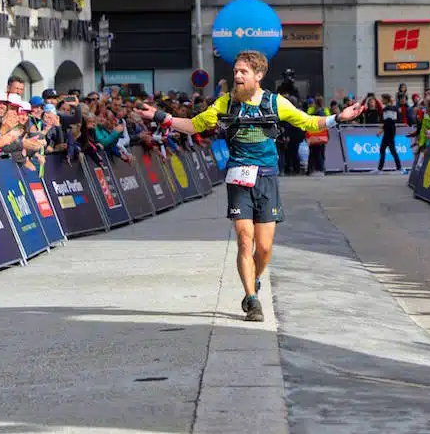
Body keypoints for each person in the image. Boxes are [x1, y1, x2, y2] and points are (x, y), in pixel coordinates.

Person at [137, 50, 364, 322]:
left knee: (264, 248)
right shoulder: (225, 103)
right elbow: (194, 126)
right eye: (235, 71)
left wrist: (339, 118)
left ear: (258, 75)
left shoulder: (275, 102)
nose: (237, 76)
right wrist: (161, 116)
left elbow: (308, 122)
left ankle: (254, 279)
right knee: (245, 240)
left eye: (243, 72)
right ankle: (252, 299)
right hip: (238, 177)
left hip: (267, 178)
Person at [377, 93, 401, 172]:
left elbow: (389, 122)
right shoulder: (392, 108)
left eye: (382, 99)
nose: (381, 100)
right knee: (385, 150)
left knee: (390, 150)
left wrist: (381, 130)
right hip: (389, 131)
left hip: (389, 132)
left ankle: (399, 168)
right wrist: (382, 130)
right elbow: (389, 121)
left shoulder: (388, 109)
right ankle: (380, 168)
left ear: (386, 99)